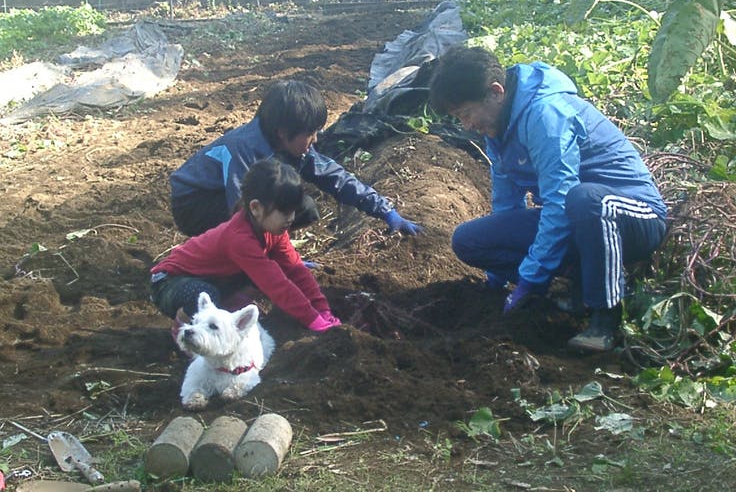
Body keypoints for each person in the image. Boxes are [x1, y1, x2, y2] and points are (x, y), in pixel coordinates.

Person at [429, 45, 667, 352]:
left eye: (466, 114)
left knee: (584, 200)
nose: (467, 126)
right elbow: (507, 206)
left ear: (495, 92)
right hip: (579, 218)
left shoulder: (545, 114)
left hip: (632, 216)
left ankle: (605, 316)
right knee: (468, 240)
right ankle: (573, 287)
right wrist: (497, 280)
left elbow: (560, 199)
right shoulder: (498, 128)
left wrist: (530, 279)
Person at [169, 79, 423, 237]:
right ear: (284, 132)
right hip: (196, 204)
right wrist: (274, 260)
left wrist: (385, 211)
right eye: (310, 133)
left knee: (304, 207)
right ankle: (227, 264)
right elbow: (241, 210)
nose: (315, 139)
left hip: (234, 199)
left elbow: (334, 177)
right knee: (257, 217)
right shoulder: (242, 150)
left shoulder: (290, 145)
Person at [150, 158, 342, 338]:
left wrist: (322, 309)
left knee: (265, 273)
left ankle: (227, 310)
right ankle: (183, 329)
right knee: (203, 296)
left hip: (217, 278)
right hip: (169, 281)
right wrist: (313, 320)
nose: (291, 219)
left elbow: (296, 269)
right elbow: (277, 285)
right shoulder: (239, 239)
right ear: (256, 208)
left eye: (293, 211)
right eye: (285, 212)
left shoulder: (274, 231)